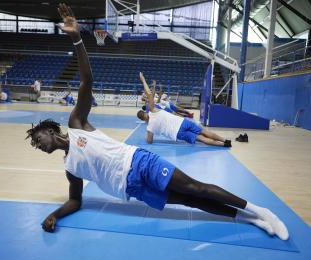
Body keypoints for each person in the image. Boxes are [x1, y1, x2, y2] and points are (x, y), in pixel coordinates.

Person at [25, 4, 289, 241]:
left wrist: (76, 39)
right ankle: (252, 220)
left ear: (49, 130)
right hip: (132, 189)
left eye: (38, 140)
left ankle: (260, 210)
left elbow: (87, 82)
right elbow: (75, 200)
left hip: (138, 163)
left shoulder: (76, 123)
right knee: (189, 201)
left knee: (195, 187)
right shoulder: (70, 169)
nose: (39, 146)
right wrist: (55, 215)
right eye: (36, 146)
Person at [137, 72, 232, 147]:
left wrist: (147, 136)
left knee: (202, 139)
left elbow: (149, 141)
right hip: (182, 122)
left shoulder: (149, 127)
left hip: (178, 132)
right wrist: (143, 80)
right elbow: (149, 94)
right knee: (205, 132)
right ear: (145, 112)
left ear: (142, 119)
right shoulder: (153, 110)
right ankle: (225, 140)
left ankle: (223, 145)